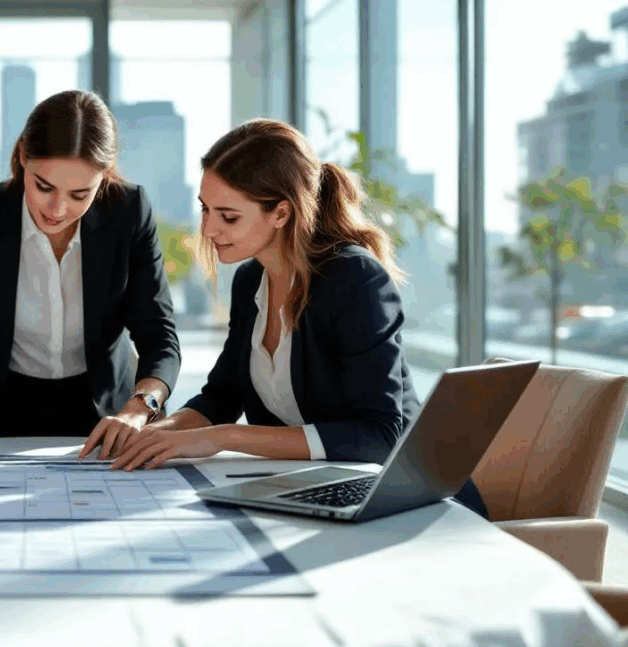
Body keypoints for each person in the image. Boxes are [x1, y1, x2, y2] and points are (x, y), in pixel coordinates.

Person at [109, 118, 488, 519]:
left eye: (228, 216)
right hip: (314, 491)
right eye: (205, 210)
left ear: (281, 213)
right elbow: (222, 397)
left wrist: (223, 438)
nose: (208, 229)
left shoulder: (354, 278)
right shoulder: (250, 280)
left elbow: (378, 436)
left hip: (406, 500)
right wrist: (153, 432)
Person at [0, 90, 181, 460]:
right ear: (23, 155)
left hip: (106, 416)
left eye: (79, 194)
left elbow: (159, 336)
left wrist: (139, 409)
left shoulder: (129, 212)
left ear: (103, 176)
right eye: (44, 187)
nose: (57, 209)